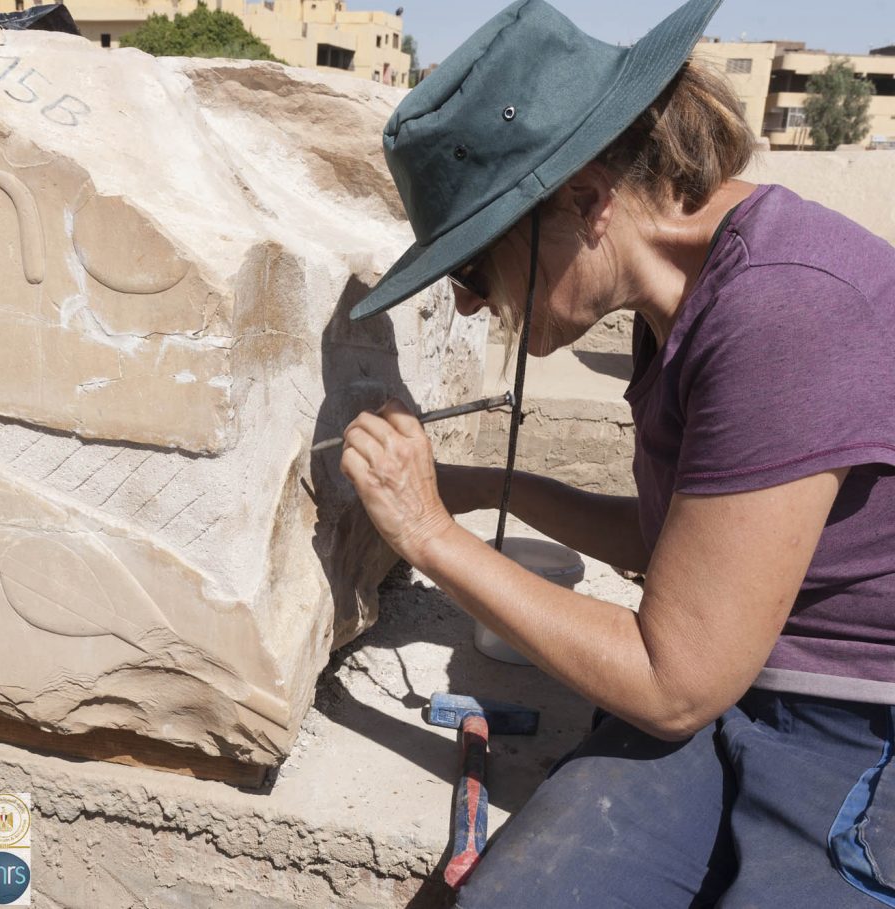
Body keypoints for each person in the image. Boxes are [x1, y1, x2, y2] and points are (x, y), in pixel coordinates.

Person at [337, 0, 895, 906]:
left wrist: (431, 536)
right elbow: (673, 547)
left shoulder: (786, 313)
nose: (474, 305)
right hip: (738, 689)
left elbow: (671, 679)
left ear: (587, 202)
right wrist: (481, 488)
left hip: (855, 722)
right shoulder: (681, 301)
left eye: (476, 263)